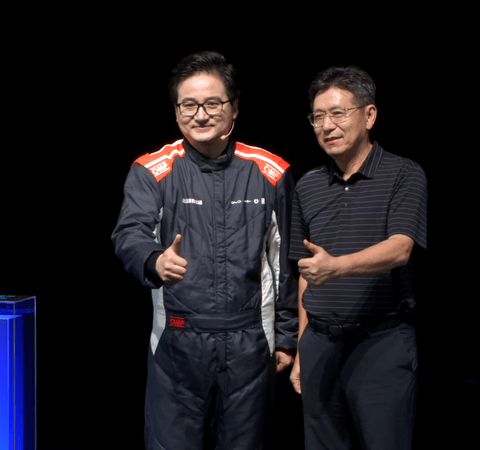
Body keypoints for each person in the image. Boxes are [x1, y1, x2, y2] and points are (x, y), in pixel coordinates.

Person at [111, 51, 297, 450]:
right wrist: (154, 260)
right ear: (176, 110)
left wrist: (285, 338)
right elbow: (129, 233)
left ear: (234, 107)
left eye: (212, 103)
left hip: (250, 343)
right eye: (189, 105)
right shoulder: (151, 170)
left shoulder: (271, 172)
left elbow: (284, 262)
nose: (200, 115)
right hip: (177, 342)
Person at [288, 66, 428, 450]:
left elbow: (400, 248)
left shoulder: (403, 174)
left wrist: (337, 266)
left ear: (369, 115)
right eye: (318, 116)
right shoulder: (308, 185)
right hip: (319, 343)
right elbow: (306, 272)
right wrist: (301, 348)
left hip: (380, 342)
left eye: (338, 113)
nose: (326, 126)